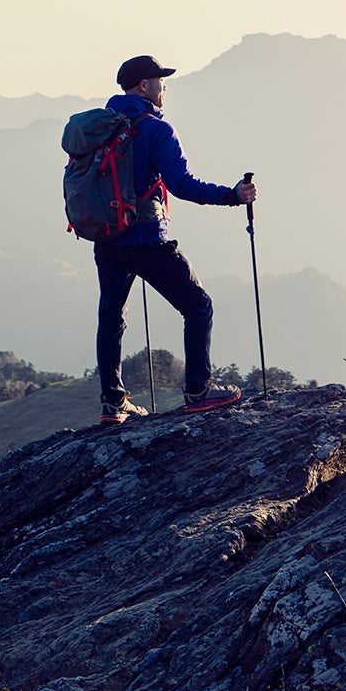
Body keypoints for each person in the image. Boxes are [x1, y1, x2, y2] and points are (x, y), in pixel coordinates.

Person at [95, 54, 256, 423]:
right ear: (143, 86)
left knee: (111, 317)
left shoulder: (103, 125)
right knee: (198, 305)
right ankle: (198, 391)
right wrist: (233, 195)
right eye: (160, 80)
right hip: (147, 239)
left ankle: (112, 404)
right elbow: (181, 185)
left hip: (107, 238)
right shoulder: (155, 129)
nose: (164, 86)